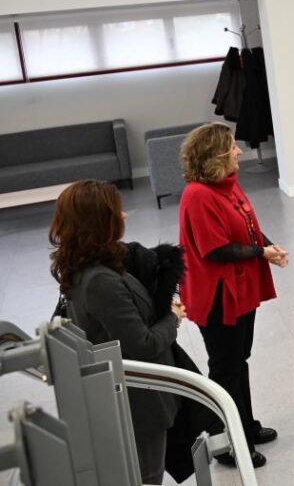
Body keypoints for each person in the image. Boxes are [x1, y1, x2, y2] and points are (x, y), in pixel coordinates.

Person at [49, 180, 184, 484]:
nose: (123, 216)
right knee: (147, 477)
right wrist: (173, 318)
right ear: (99, 221)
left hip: (132, 399)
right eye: (117, 211)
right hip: (138, 404)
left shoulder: (88, 266)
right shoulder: (100, 281)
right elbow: (143, 344)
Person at [178, 123, 288, 469]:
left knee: (239, 360)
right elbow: (215, 250)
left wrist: (268, 246)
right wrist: (260, 253)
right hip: (216, 296)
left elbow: (248, 227)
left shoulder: (228, 185)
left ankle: (246, 427)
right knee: (225, 368)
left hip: (238, 289)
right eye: (232, 147)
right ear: (216, 156)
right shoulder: (197, 195)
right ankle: (227, 443)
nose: (239, 151)